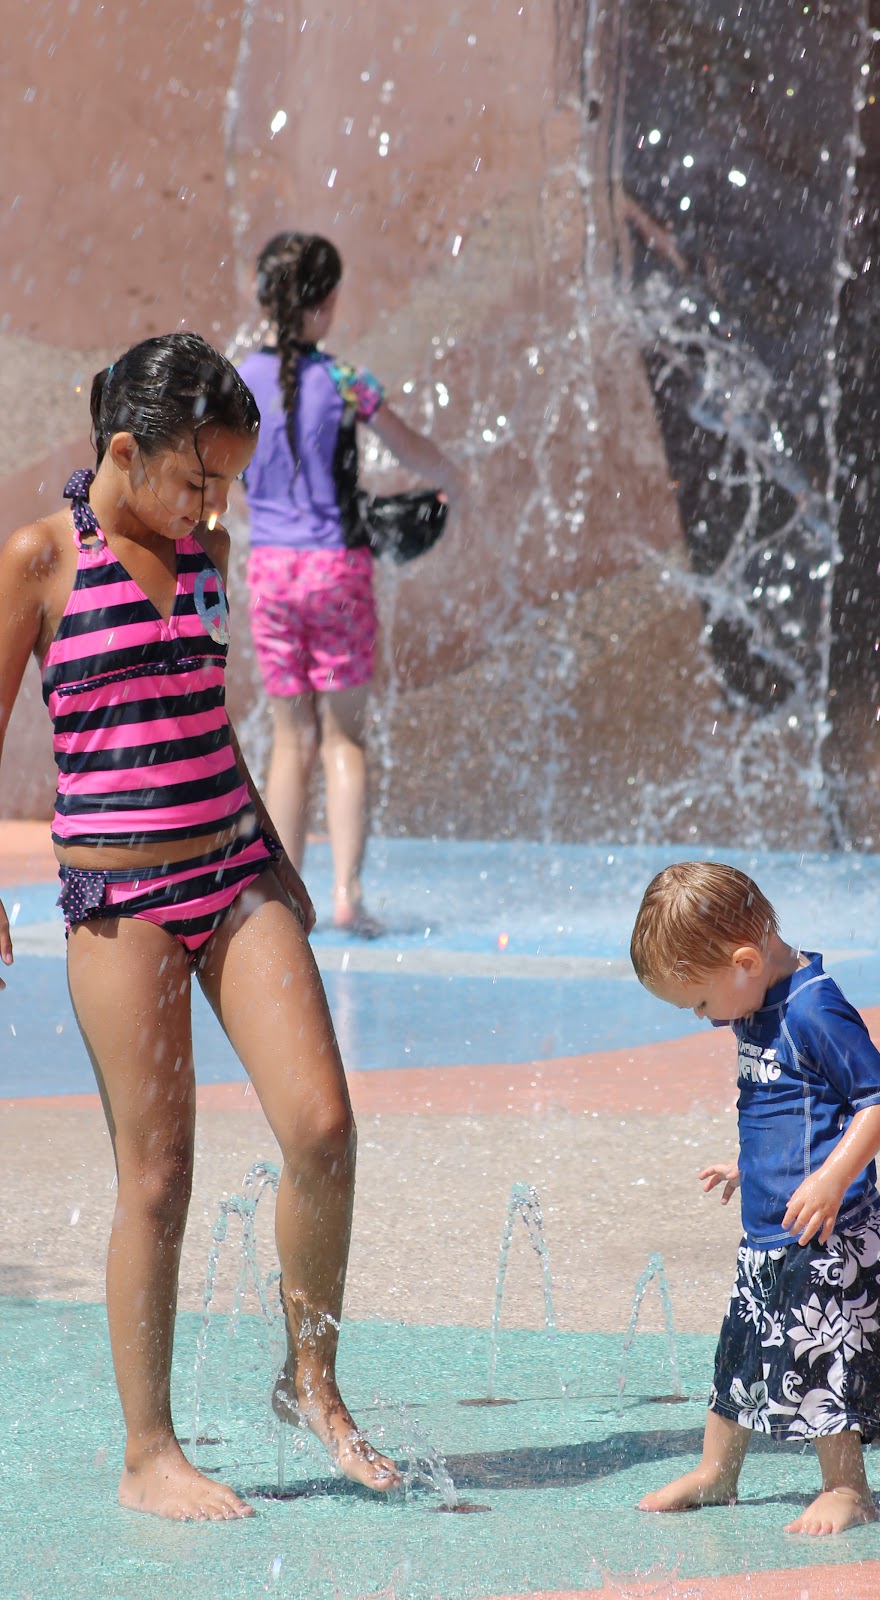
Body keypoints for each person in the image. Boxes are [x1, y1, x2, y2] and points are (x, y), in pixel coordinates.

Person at [0, 332, 401, 1521]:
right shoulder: (38, 561)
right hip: (117, 900)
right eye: (197, 477)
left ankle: (309, 1379)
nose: (214, 503)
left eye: (224, 479)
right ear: (125, 450)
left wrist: (278, 866)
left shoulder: (211, 551)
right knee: (159, 1177)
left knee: (323, 1127)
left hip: (231, 869)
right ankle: (149, 1453)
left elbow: (197, 716)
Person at [629, 862, 880, 1535]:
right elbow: (789, 1102)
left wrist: (828, 1179)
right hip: (772, 1228)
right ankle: (716, 1471)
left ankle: (845, 1487)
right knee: (741, 1355)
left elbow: (879, 1101)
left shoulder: (813, 1006)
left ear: (744, 961)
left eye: (698, 1003)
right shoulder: (754, 1004)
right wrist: (750, 1164)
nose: (702, 1019)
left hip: (832, 1234)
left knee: (821, 1362)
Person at [240, 232, 462, 937]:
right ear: (327, 303)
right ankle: (345, 894)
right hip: (337, 570)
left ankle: (278, 892)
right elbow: (411, 450)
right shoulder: (345, 382)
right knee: (344, 740)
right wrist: (451, 477)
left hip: (271, 571)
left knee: (287, 738)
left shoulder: (235, 380)